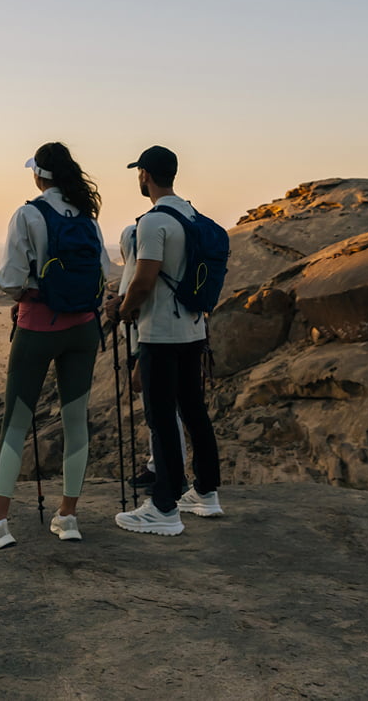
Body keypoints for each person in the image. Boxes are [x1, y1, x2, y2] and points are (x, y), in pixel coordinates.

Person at [0, 142, 110, 549]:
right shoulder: (87, 218)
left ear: (39, 175)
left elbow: (10, 279)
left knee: (15, 424)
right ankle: (68, 517)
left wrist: (27, 295)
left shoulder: (28, 214)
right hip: (84, 329)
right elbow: (104, 272)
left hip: (38, 327)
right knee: (76, 422)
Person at [112, 145, 223, 536]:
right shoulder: (192, 216)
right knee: (194, 412)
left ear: (144, 174)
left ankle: (164, 508)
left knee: (161, 418)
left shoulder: (153, 222)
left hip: (160, 333)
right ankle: (206, 493)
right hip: (193, 329)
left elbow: (144, 280)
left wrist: (123, 310)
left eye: (139, 173)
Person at [108, 223, 187, 494]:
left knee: (161, 409)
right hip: (155, 336)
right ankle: (159, 466)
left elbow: (143, 295)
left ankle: (170, 473)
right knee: (160, 408)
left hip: (149, 339)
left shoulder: (140, 257)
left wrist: (123, 309)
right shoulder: (142, 253)